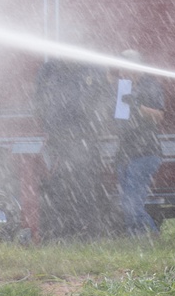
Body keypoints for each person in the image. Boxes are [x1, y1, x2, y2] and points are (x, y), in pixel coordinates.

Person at [32, 57, 115, 241]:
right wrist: (50, 124)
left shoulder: (92, 68)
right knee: (60, 184)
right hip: (59, 138)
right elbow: (37, 100)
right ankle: (63, 231)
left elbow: (106, 98)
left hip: (85, 137)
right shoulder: (48, 70)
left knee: (86, 185)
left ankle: (88, 232)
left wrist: (93, 122)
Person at [113, 49, 166, 237]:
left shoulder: (149, 85)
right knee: (126, 201)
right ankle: (134, 236)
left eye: (123, 68)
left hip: (145, 153)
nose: (120, 73)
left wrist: (137, 107)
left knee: (133, 202)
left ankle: (150, 235)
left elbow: (159, 115)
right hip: (125, 152)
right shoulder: (122, 87)